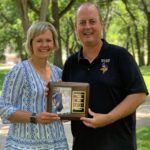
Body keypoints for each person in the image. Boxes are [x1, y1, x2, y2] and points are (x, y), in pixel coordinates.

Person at [62, 2, 148, 150]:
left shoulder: (120, 56)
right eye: (82, 22)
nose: (87, 26)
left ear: (102, 24)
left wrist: (109, 118)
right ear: (76, 28)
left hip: (118, 145)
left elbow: (139, 94)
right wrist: (55, 96)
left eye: (92, 21)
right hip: (82, 145)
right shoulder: (71, 63)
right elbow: (67, 105)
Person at [0, 21, 68, 150]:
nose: (44, 45)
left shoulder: (59, 73)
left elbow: (62, 111)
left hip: (56, 144)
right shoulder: (19, 71)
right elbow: (3, 108)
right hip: (24, 145)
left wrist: (63, 99)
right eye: (39, 40)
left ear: (54, 44)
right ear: (31, 43)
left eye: (48, 40)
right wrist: (34, 117)